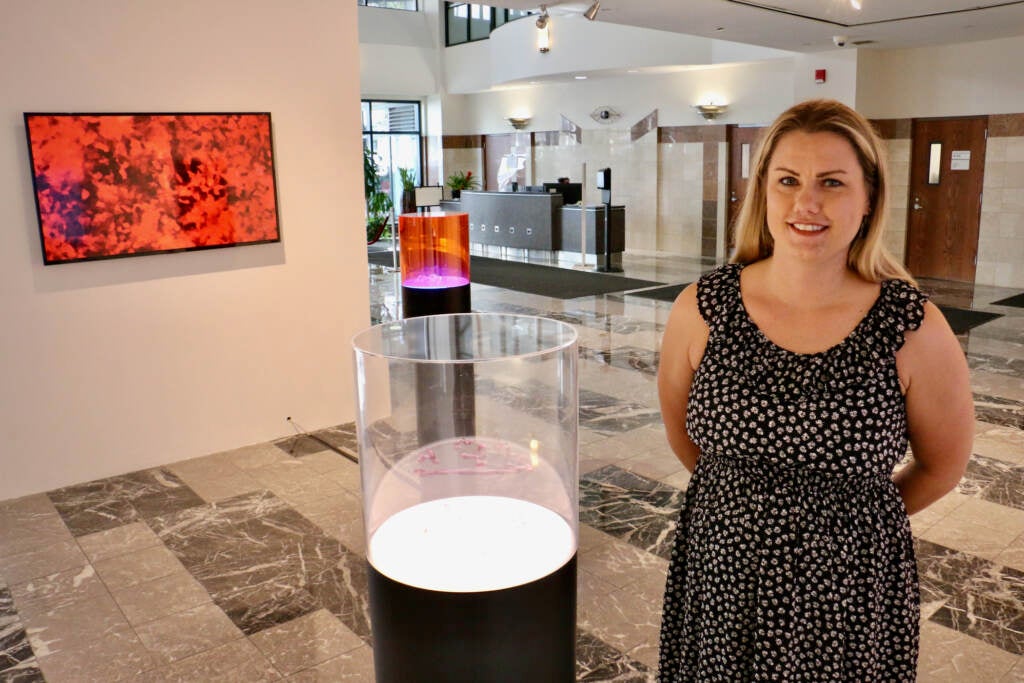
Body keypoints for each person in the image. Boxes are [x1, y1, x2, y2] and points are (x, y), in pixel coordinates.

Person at [656, 99, 974, 681]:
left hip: (847, 592)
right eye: (788, 181)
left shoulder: (910, 325)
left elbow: (942, 465)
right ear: (764, 193)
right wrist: (747, 512)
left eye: (832, 182)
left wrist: (840, 522)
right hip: (722, 571)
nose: (807, 203)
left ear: (869, 198)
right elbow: (684, 434)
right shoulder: (703, 307)